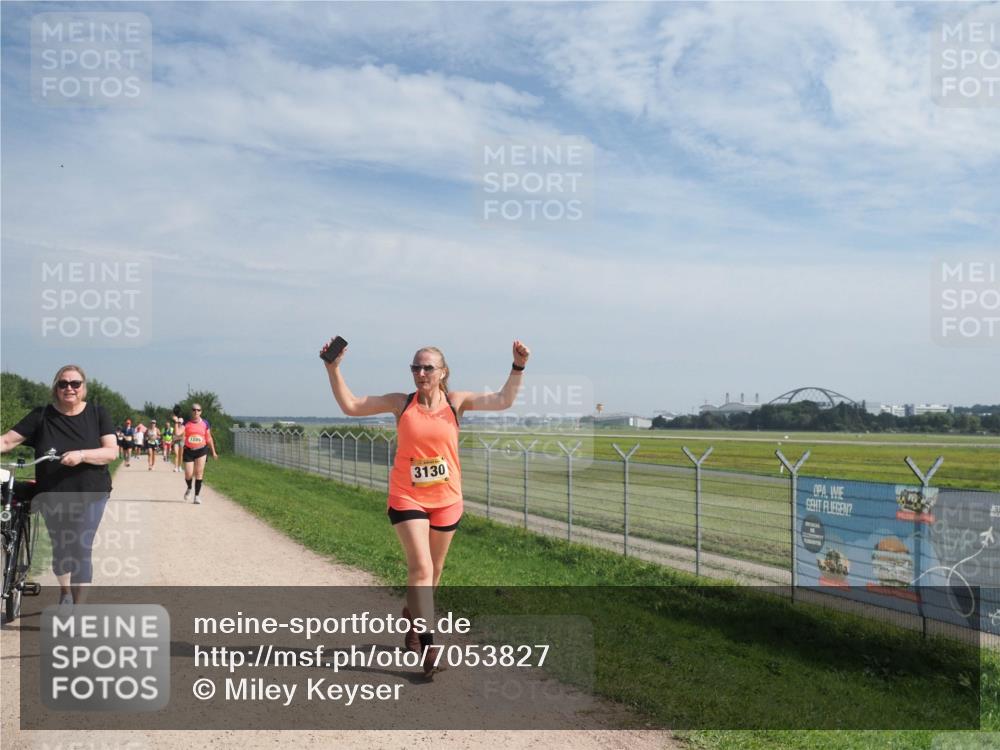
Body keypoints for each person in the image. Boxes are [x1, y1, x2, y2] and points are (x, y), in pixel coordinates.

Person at [321, 338, 530, 678]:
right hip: (407, 496)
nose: (420, 373)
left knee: (434, 574)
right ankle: (430, 646)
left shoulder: (455, 402)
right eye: (415, 367)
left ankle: (414, 614)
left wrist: (517, 366)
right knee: (420, 568)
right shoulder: (401, 403)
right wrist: (333, 369)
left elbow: (503, 400)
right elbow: (353, 405)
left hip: (447, 499)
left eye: (427, 367)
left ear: (442, 372)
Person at [0, 365, 118, 606]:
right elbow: (6, 441)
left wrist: (82, 455)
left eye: (75, 383)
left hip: (91, 493)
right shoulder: (41, 415)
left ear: (84, 388)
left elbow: (111, 452)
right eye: (63, 383)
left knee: (81, 549)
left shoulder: (97, 414)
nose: (69, 388)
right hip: (52, 494)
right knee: (61, 551)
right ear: (56, 388)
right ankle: (65, 592)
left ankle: (78, 609)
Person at [182, 404, 218, 504]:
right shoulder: (186, 423)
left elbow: (209, 438)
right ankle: (189, 487)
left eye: (198, 410)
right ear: (191, 411)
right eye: (194, 410)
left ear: (201, 412)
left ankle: (197, 496)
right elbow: (179, 434)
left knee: (199, 472)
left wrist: (213, 452)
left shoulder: (205, 423)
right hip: (189, 450)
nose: (196, 412)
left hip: (201, 450)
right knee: (188, 474)